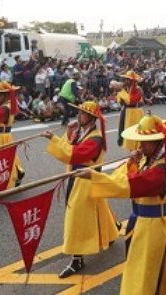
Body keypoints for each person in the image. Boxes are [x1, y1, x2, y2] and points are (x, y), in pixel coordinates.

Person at [81, 112, 166, 294]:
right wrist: (132, 161)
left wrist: (94, 176)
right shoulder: (151, 161)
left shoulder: (160, 169)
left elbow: (130, 184)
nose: (141, 145)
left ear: (157, 143)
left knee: (144, 274)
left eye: (145, 142)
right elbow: (125, 177)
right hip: (143, 223)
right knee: (145, 269)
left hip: (152, 227)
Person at [44, 101, 119, 278]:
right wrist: (69, 131)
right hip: (79, 176)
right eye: (79, 112)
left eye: (82, 113)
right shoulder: (82, 132)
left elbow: (74, 154)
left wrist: (53, 139)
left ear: (91, 118)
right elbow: (71, 147)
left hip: (86, 180)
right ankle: (109, 233)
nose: (79, 115)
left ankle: (77, 259)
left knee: (76, 216)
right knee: (98, 206)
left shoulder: (95, 138)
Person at [116, 70, 144, 151]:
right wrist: (120, 92)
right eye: (125, 79)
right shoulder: (125, 89)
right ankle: (131, 150)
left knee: (134, 131)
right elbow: (121, 102)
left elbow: (131, 101)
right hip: (126, 111)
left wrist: (121, 92)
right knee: (125, 130)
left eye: (128, 79)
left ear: (132, 80)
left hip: (134, 112)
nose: (126, 81)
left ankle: (137, 149)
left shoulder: (138, 89)